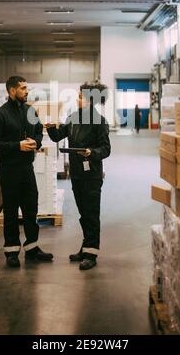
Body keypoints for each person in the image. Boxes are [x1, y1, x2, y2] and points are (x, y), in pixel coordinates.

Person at [46, 83, 111, 271]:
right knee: (83, 213)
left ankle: (92, 253)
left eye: (80, 96)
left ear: (90, 100)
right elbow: (58, 136)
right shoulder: (73, 118)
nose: (77, 99)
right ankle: (86, 247)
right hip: (76, 173)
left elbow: (105, 149)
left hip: (91, 175)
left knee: (91, 214)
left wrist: (91, 152)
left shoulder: (100, 121)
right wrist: (51, 127)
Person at [0, 76, 53, 268]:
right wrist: (17, 146)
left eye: (26, 88)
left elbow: (38, 131)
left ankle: (32, 248)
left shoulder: (30, 110)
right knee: (11, 210)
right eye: (22, 88)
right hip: (9, 169)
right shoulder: (0, 114)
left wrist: (36, 142)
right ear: (12, 91)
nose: (26, 91)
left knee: (31, 207)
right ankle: (12, 251)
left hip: (27, 169)